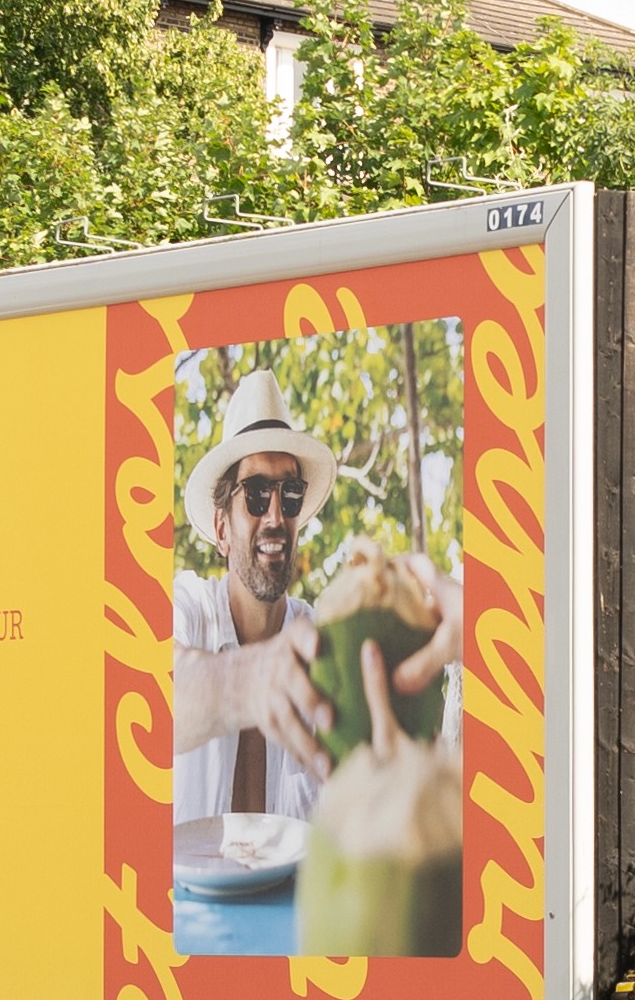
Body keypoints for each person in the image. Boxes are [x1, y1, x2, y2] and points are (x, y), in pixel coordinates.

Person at [166, 367, 449, 862]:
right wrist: (247, 682)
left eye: (289, 495)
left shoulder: (326, 640)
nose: (276, 516)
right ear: (221, 527)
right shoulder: (186, 609)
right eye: (256, 494)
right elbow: (157, 693)